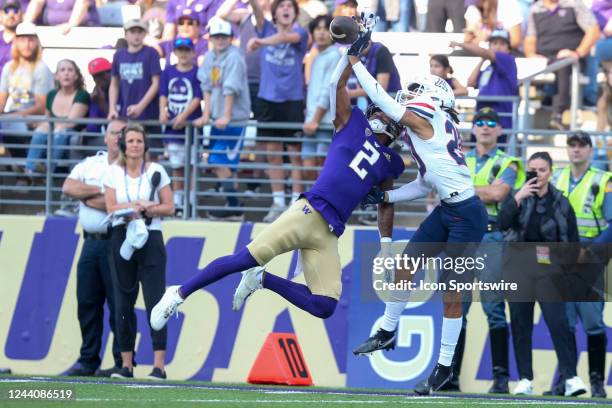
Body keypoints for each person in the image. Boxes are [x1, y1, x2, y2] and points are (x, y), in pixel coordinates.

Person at [149, 48, 405, 333]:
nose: (393, 117)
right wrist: (352, 53)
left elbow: (386, 201)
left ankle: (261, 280)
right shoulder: (352, 123)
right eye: (389, 110)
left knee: (324, 304)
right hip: (308, 212)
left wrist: (386, 247)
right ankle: (178, 293)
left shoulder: (391, 162)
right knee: (243, 258)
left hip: (330, 230)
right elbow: (336, 84)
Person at [347, 22, 487, 395]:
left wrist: (356, 61)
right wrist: (388, 199)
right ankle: (388, 329)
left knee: (451, 292)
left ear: (428, 96)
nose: (409, 95)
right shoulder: (434, 127)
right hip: (449, 208)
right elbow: (427, 183)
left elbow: (389, 103)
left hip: (467, 215)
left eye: (415, 91)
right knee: (405, 267)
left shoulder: (427, 117)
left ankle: (443, 368)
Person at [445, 107, 524, 393]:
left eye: (492, 123)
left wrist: (460, 188)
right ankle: (450, 376)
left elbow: (498, 194)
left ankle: (501, 378)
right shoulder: (460, 158)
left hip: (491, 238)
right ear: (473, 128)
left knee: (493, 307)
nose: (486, 127)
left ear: (500, 130)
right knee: (457, 307)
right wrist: (479, 189)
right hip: (463, 238)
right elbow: (442, 190)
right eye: (480, 122)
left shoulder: (510, 162)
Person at [498, 151, 587, 397]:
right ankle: (525, 378)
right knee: (520, 324)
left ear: (550, 172)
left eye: (542, 170)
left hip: (550, 269)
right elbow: (502, 223)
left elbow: (572, 240)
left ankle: (571, 377)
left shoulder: (560, 201)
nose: (536, 174)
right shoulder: (518, 197)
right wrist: (517, 197)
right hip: (518, 266)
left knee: (559, 323)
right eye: (533, 169)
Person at [103, 124, 174, 380]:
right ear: (123, 145)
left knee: (156, 301)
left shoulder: (157, 171)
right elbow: (110, 206)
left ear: (146, 145)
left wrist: (149, 208)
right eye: (130, 140)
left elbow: (170, 207)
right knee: (123, 301)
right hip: (123, 234)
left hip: (150, 234)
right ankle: (126, 364)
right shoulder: (112, 172)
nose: (135, 145)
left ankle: (159, 366)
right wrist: (132, 206)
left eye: (139, 141)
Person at [61, 118, 127, 377]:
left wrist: (88, 198)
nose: (118, 138)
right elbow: (68, 186)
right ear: (105, 137)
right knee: (87, 301)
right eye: (114, 133)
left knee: (118, 302)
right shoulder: (91, 164)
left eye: (123, 133)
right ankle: (88, 359)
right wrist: (101, 191)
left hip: (116, 240)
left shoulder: (130, 169)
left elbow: (120, 204)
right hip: (90, 241)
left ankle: (121, 361)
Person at [550, 131, 611, 398]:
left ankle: (597, 382)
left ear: (589, 149)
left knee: (591, 321)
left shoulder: (604, 180)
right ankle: (567, 379)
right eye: (571, 145)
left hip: (589, 258)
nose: (576, 150)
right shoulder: (556, 177)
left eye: (581, 145)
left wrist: (589, 251)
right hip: (563, 257)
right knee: (564, 322)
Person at [246, 0, 308, 222]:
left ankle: (296, 202)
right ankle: (278, 201)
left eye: (289, 7)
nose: (285, 9)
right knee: (273, 154)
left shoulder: (301, 33)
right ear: (274, 13)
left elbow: (285, 38)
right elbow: (255, 9)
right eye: (281, 6)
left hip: (292, 101)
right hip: (267, 100)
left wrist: (259, 42)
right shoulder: (265, 28)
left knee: (294, 155)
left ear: (295, 13)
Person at [194, 17, 250, 221]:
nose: (220, 40)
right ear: (210, 38)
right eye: (216, 36)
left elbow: (231, 88)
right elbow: (206, 87)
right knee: (224, 164)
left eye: (224, 36)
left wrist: (226, 115)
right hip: (218, 118)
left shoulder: (234, 57)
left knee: (219, 161)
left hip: (234, 120)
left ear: (230, 38)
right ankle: (233, 206)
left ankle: (235, 206)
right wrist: (206, 115)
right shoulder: (210, 57)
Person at [524, 0, 600, 130]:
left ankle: (558, 113)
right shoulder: (535, 9)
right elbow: (530, 38)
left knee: (564, 62)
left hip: (571, 58)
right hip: (545, 58)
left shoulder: (574, 4)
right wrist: (531, 55)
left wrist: (578, 53)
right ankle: (535, 106)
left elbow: (593, 30)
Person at [452, 28, 518, 145]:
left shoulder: (508, 60)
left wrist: (461, 44)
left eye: (502, 44)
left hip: (499, 121)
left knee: (495, 158)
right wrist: (482, 59)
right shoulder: (489, 68)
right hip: (481, 120)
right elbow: (471, 82)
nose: (498, 47)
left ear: (508, 49)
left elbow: (488, 53)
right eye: (494, 43)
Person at [159, 36, 202, 214]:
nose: (183, 54)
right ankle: (177, 201)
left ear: (193, 52)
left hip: (191, 128)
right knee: (177, 166)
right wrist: (162, 110)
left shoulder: (197, 72)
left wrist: (184, 117)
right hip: (173, 129)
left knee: (191, 165)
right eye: (180, 50)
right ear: (175, 53)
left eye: (187, 50)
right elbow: (163, 93)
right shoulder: (168, 71)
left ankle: (190, 201)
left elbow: (197, 98)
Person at [24, 59, 89, 174]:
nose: (66, 73)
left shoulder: (82, 95)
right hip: (55, 130)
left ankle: (47, 170)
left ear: (76, 76)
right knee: (40, 131)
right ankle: (29, 170)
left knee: (60, 132)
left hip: (73, 133)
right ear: (57, 76)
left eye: (70, 70)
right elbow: (47, 119)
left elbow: (71, 123)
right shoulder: (51, 95)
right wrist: (40, 125)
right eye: (62, 70)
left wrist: (47, 125)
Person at [0, 22, 53, 158]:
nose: (27, 44)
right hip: (11, 116)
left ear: (36, 42)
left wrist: (14, 116)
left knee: (12, 126)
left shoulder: (41, 68)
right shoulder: (9, 67)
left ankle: (23, 171)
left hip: (32, 118)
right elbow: (2, 98)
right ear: (16, 42)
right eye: (22, 40)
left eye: (31, 40)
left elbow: (41, 107)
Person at [302, 14, 340, 180]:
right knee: (308, 166)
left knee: (322, 166)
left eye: (326, 29)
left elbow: (327, 92)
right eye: (318, 29)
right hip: (312, 121)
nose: (322, 33)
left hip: (323, 123)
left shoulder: (334, 56)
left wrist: (315, 120)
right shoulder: (316, 56)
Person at [108, 20, 161, 125]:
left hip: (149, 114)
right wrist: (112, 108)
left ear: (144, 34)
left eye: (139, 32)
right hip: (125, 113)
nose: (136, 35)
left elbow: (156, 83)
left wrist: (140, 107)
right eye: (132, 32)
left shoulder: (151, 53)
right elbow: (114, 84)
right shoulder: (118, 55)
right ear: (126, 35)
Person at [23, 0, 100, 34]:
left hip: (83, 32)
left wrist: (71, 24)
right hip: (54, 32)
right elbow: (37, 2)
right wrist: (26, 23)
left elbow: (82, 3)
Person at [84, 57, 112, 144]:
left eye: (101, 74)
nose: (98, 79)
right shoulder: (98, 92)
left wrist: (102, 103)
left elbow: (120, 123)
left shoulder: (122, 89)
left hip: (120, 137)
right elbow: (93, 127)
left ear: (110, 72)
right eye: (95, 76)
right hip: (102, 135)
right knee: (76, 140)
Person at [0, 0, 23, 73]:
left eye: (15, 11)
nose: (11, 15)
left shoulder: (27, 40)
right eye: (7, 11)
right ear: (0, 15)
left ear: (21, 15)